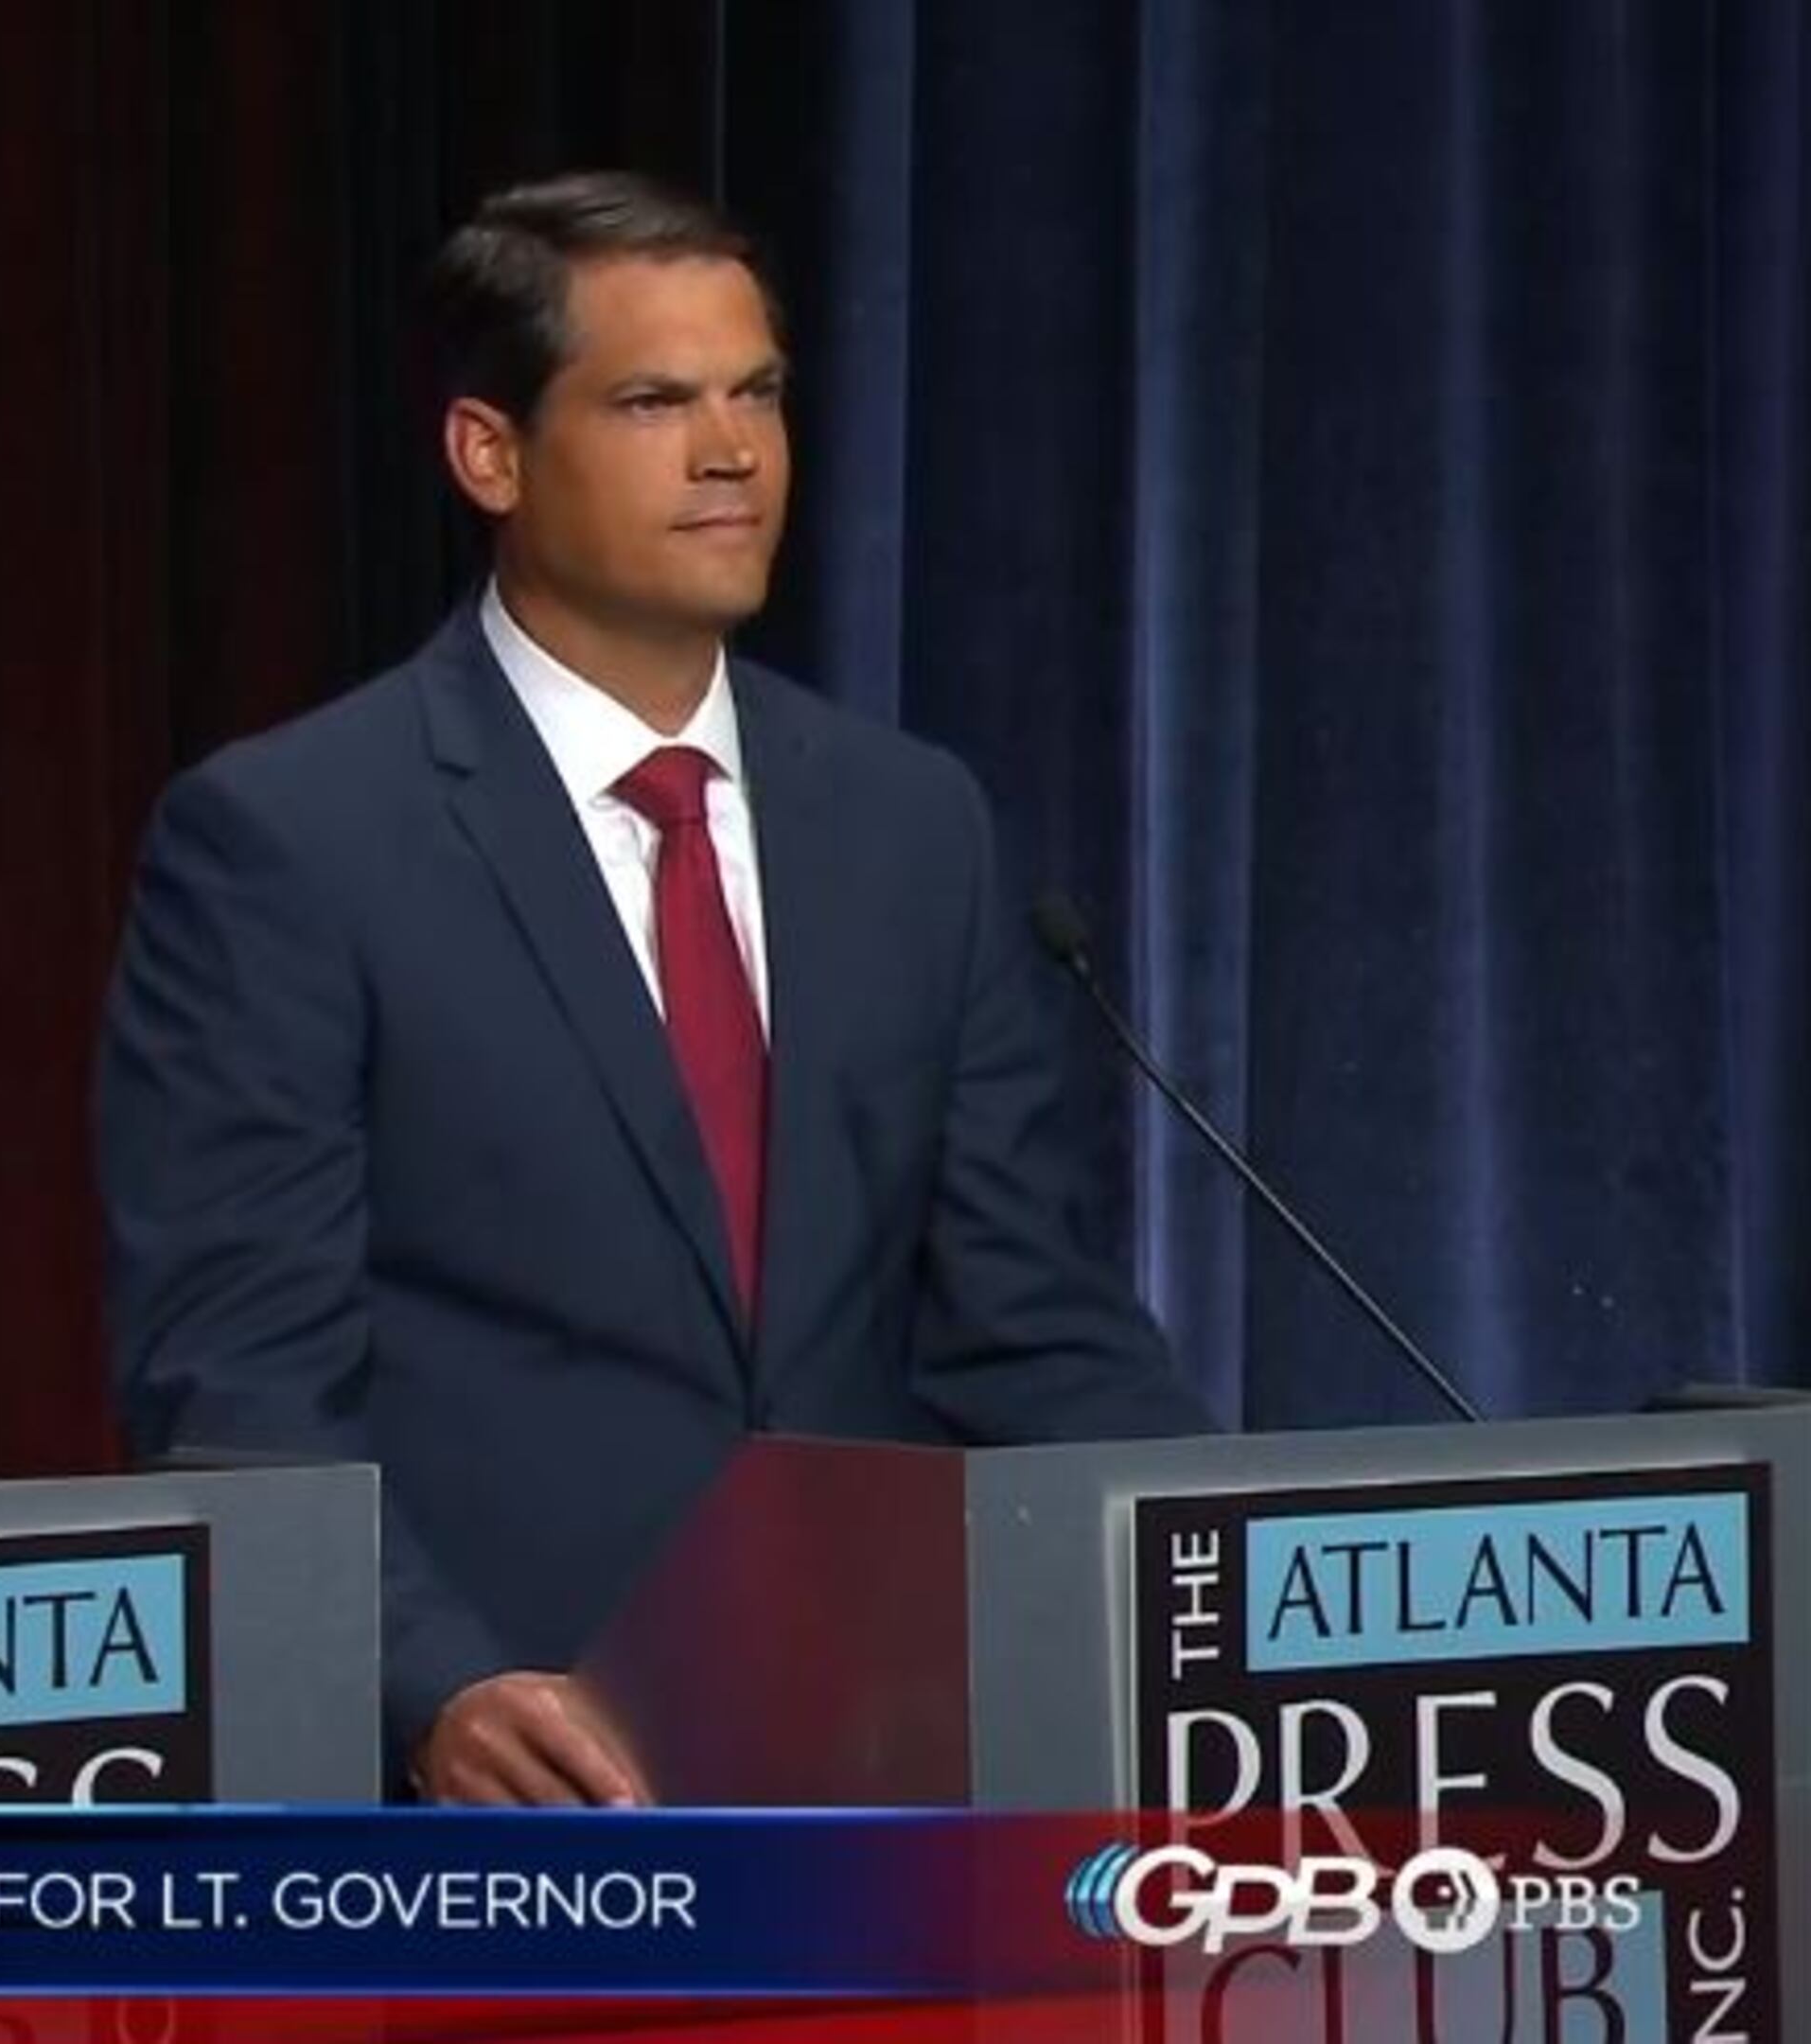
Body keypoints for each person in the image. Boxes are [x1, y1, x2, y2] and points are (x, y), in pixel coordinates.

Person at [96, 173, 1208, 1807]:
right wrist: (430, 1682)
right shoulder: (290, 841)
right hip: (514, 1780)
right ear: (488, 452)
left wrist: (1241, 1576)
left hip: (886, 1766)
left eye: (755, 392)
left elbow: (1025, 1319)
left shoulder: (912, 824)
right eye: (653, 401)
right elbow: (241, 1387)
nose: (731, 452)